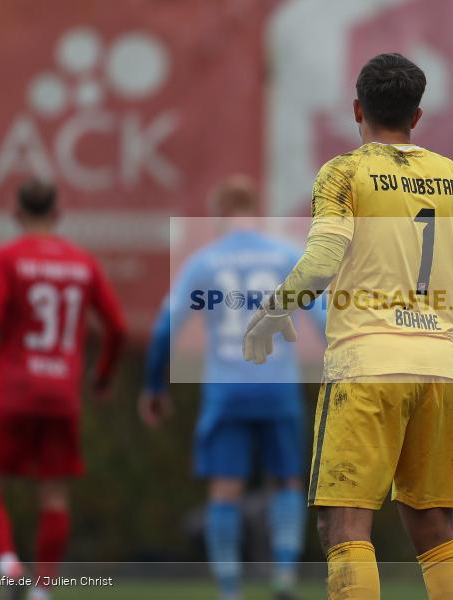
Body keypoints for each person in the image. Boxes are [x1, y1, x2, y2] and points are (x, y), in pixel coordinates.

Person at [242, 53, 453, 599]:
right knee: (434, 531)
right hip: (438, 370)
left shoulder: (344, 172)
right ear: (417, 117)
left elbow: (323, 259)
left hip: (366, 366)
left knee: (343, 528)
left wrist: (273, 311)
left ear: (355, 110)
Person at [140, 176, 322, 600]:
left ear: (219, 216)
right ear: (254, 211)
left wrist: (153, 386)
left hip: (226, 390)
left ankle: (229, 589)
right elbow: (326, 319)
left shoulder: (204, 262)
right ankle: (283, 578)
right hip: (277, 386)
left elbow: (166, 326)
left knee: (225, 487)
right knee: (287, 481)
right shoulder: (285, 256)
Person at [0, 178, 126, 600]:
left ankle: (9, 566)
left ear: (17, 213)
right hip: (62, 393)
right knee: (54, 494)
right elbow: (117, 326)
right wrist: (102, 375)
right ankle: (43, 590)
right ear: (57, 214)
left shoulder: (5, 256)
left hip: (13, 388)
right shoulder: (83, 262)